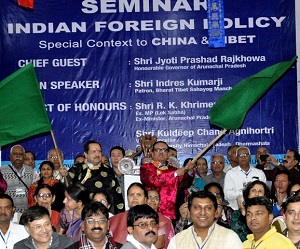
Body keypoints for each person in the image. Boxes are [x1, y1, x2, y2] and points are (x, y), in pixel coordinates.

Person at [168, 191, 243, 249]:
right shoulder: (177, 240)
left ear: (216, 212)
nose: (202, 213)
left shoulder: (230, 237)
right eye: (197, 207)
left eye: (208, 208)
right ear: (189, 211)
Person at [140, 141, 194, 220]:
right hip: (151, 212)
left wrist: (189, 171)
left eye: (164, 150)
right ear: (152, 153)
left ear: (168, 153)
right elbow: (151, 181)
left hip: (170, 213)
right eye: (158, 150)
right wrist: (174, 174)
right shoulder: (146, 167)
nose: (161, 152)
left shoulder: (173, 169)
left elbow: (184, 184)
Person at [68, 140, 125, 214]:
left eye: (99, 151)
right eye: (93, 151)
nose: (97, 154)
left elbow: (117, 195)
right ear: (86, 154)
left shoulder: (108, 170)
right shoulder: (77, 169)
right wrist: (65, 176)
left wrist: (119, 217)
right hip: (82, 215)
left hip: (105, 214)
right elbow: (67, 189)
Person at [224, 146, 266, 210]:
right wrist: (245, 191)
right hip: (236, 210)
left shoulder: (259, 173)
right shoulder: (230, 173)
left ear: (250, 157)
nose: (243, 157)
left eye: (245, 154)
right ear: (237, 158)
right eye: (240, 155)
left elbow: (264, 192)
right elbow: (227, 195)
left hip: (256, 209)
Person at [109, 182, 148, 247]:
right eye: (131, 195)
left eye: (138, 195)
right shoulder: (114, 220)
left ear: (146, 199)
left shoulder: (153, 219)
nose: (135, 198)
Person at [0, 145, 34, 212]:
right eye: (15, 154)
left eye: (20, 154)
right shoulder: (2, 171)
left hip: (27, 211)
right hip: (8, 212)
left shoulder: (31, 171)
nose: (18, 156)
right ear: (10, 156)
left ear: (24, 156)